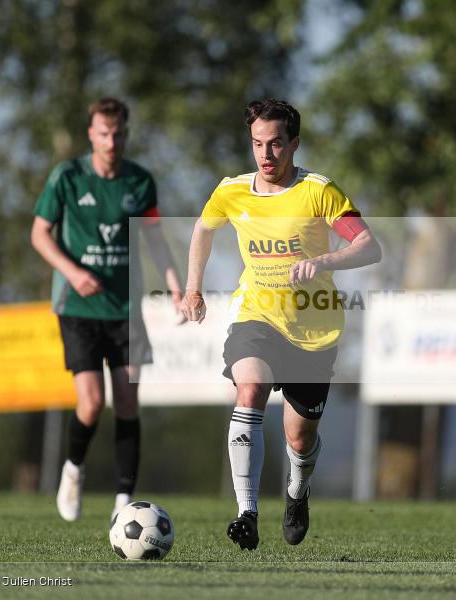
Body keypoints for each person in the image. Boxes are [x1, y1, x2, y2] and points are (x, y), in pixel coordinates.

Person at [181, 99, 382, 549]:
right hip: (257, 315)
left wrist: (325, 258)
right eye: (257, 144)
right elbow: (203, 228)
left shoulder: (318, 191)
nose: (266, 155)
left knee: (299, 435)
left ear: (294, 143)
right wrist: (194, 286)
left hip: (314, 328)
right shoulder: (232, 190)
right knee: (248, 388)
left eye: (275, 144)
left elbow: (369, 246)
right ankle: (246, 512)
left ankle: (297, 490)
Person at [31, 97, 183, 521]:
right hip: (77, 306)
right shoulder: (67, 177)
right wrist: (72, 271)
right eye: (103, 133)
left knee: (129, 401)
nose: (111, 141)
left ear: (126, 134)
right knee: (92, 402)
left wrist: (176, 288)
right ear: (91, 134)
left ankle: (124, 504)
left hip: (125, 310)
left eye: (118, 133)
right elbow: (40, 234)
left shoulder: (140, 182)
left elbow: (155, 239)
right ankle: (74, 470)